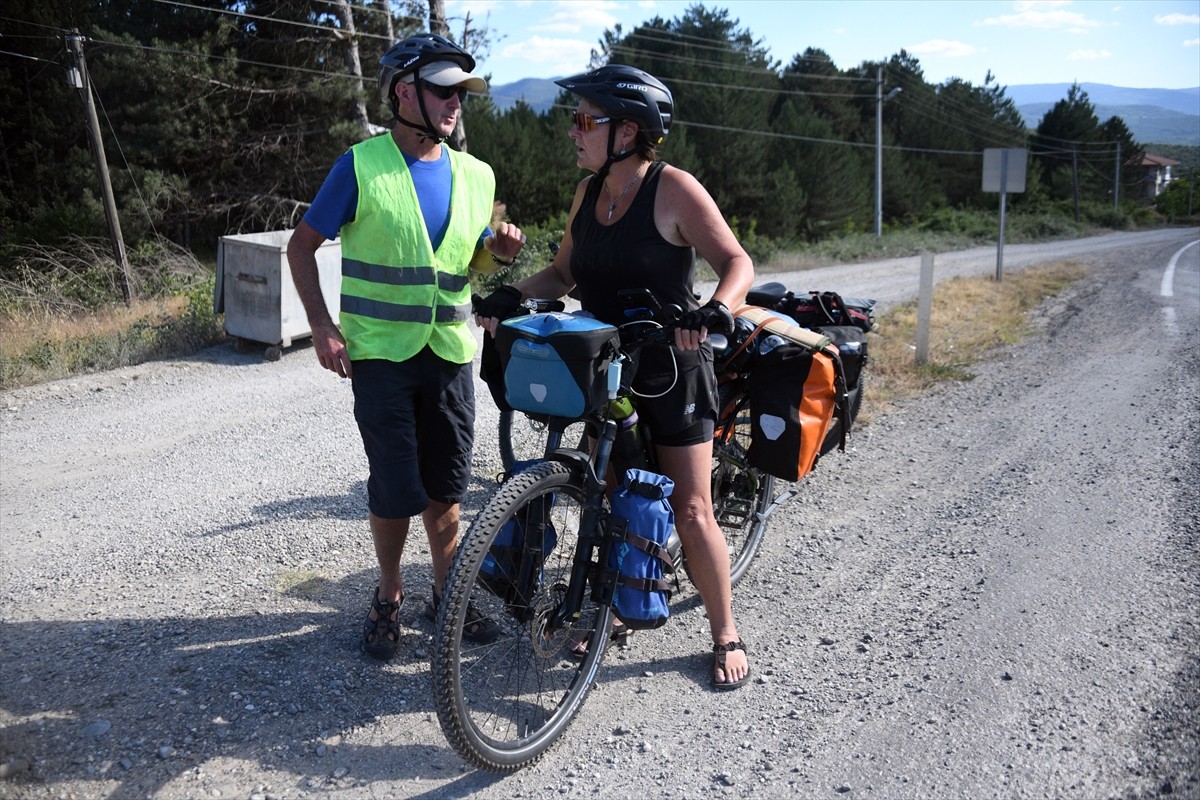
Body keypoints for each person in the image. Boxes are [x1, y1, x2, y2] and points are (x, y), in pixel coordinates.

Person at [473, 65, 754, 689]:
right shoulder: (588, 192)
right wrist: (509, 295)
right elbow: (562, 275)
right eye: (572, 118)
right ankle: (610, 605)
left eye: (583, 120)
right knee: (607, 490)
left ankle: (724, 630)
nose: (572, 130)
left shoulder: (673, 188)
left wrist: (717, 309)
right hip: (606, 365)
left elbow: (737, 261)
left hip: (672, 364)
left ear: (628, 130)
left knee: (689, 506)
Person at [287, 33, 526, 660]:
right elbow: (301, 245)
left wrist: (494, 252)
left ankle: (447, 593)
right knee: (396, 488)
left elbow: (461, 261)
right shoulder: (361, 165)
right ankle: (389, 593)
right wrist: (321, 325)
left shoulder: (478, 174)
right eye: (443, 90)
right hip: (380, 356)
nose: (455, 103)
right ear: (403, 92)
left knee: (447, 487)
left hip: (449, 352)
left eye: (461, 93)